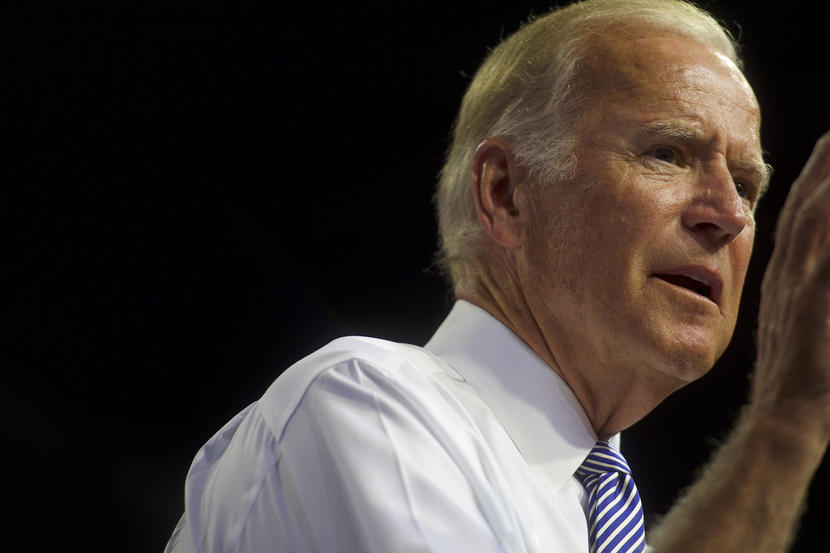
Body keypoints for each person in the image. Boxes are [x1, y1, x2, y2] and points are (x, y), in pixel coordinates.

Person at [165, 0, 830, 551]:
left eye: (746, 183)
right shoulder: (367, 406)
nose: (727, 215)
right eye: (667, 153)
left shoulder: (603, 525)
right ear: (507, 192)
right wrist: (787, 425)